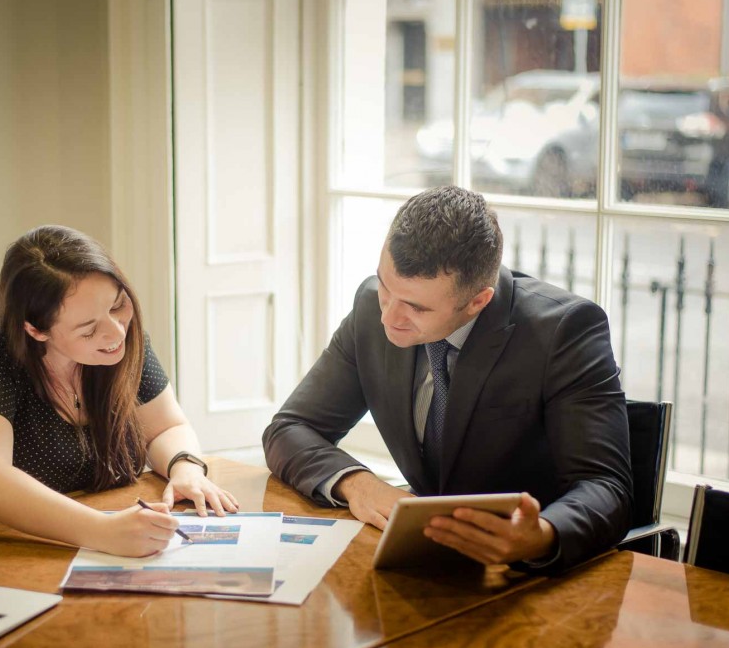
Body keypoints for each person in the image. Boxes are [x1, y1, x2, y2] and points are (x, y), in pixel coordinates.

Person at [263, 186, 631, 572]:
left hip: (529, 576)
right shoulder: (373, 306)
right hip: (421, 560)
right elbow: (290, 428)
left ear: (478, 301)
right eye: (386, 288)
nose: (389, 316)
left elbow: (608, 487)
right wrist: (359, 484)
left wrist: (542, 534)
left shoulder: (564, 331)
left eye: (416, 307)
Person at [0, 225, 238, 558]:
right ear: (36, 330)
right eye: (88, 330)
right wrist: (102, 531)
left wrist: (184, 468)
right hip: (6, 548)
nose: (115, 333)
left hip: (102, 539)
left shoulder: (120, 340)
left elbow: (166, 427)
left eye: (117, 306)